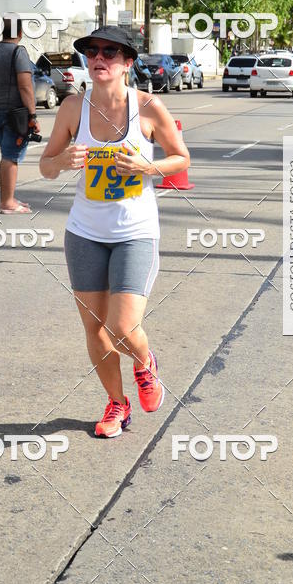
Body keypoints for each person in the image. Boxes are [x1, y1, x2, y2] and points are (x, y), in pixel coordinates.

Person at [39, 26, 190, 438]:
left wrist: (148, 168)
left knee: (122, 327)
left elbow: (180, 157)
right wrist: (63, 160)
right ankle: (117, 405)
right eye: (92, 51)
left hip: (135, 232)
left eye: (110, 52)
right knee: (94, 329)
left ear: (127, 62)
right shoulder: (72, 108)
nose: (99, 58)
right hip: (85, 233)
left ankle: (145, 362)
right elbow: (45, 166)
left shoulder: (148, 107)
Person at [0, 16, 39, 213]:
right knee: (10, 156)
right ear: (19, 33)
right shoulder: (19, 51)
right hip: (15, 113)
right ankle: (7, 203)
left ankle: (9, 198)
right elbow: (25, 86)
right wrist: (32, 117)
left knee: (7, 154)